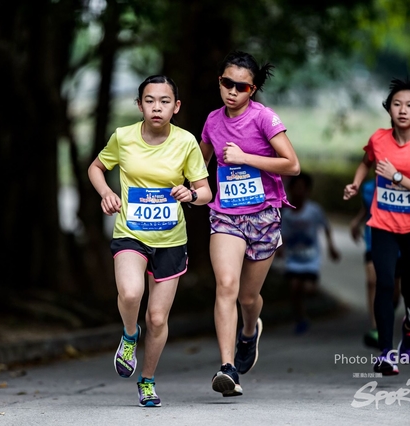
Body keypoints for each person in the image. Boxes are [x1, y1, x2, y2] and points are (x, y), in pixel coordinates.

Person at [88, 75, 212, 407]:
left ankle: (147, 381)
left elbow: (206, 192)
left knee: (157, 318)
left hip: (171, 239)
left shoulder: (186, 142)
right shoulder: (123, 137)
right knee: (131, 293)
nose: (157, 107)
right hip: (130, 232)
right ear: (139, 105)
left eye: (165, 101)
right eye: (150, 100)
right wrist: (106, 193)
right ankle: (130, 335)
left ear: (176, 106)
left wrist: (190, 194)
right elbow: (96, 168)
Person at [199, 51, 300, 397]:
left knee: (247, 296)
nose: (232, 91)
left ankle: (248, 331)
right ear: (219, 82)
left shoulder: (264, 118)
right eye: (227, 83)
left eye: (241, 86)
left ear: (252, 89)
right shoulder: (212, 121)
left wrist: (245, 158)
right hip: (225, 215)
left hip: (263, 216)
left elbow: (292, 165)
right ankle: (227, 368)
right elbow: (199, 164)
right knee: (226, 285)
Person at [343, 77, 410, 376]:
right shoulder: (378, 139)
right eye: (397, 104)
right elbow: (366, 161)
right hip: (383, 224)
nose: (402, 110)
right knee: (384, 284)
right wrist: (356, 183)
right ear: (389, 109)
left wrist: (397, 177)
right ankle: (386, 353)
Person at [281, 172, 339, 335]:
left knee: (308, 289)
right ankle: (300, 318)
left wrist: (331, 247)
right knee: (294, 288)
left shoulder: (314, 210)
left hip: (311, 257)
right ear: (290, 190)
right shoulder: (287, 213)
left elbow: (326, 227)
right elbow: (283, 234)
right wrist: (280, 249)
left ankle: (305, 310)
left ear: (308, 191)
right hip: (293, 257)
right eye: (296, 188)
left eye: (302, 188)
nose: (299, 191)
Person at [349, 179, 402, 348]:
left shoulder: (401, 185)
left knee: (394, 291)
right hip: (373, 241)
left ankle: (386, 314)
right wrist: (356, 221)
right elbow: (368, 208)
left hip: (396, 243)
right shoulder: (368, 188)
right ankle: (376, 328)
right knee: (372, 282)